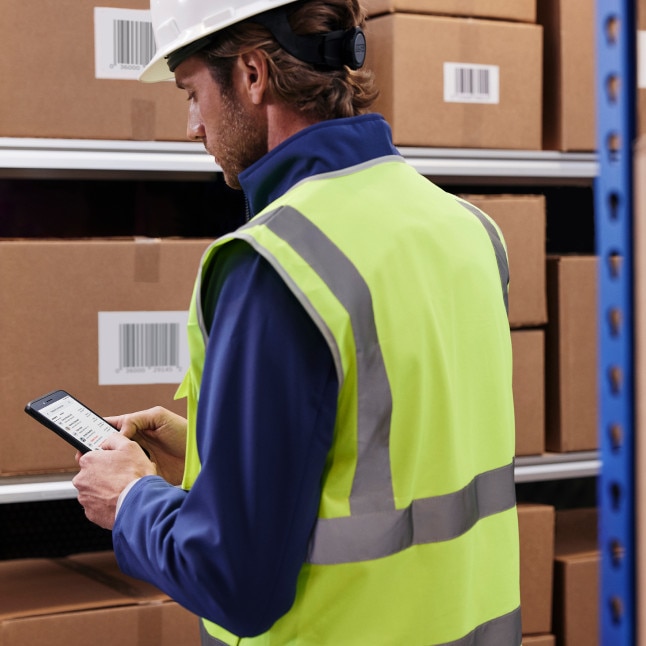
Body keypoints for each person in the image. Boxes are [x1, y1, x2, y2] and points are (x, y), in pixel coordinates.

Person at [72, 0, 521, 643]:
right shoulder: (466, 229)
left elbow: (235, 581)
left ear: (252, 75)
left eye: (192, 93)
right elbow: (399, 442)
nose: (191, 127)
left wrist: (131, 499)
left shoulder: (278, 262)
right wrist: (213, 449)